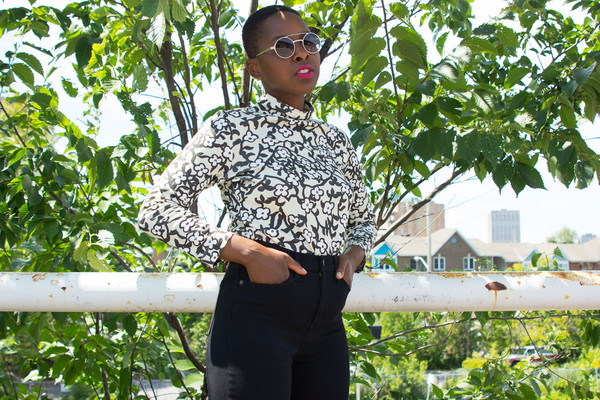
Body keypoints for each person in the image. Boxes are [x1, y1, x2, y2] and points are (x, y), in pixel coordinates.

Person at [137, 5, 376, 399]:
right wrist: (246, 252)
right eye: (283, 47)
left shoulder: (335, 140)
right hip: (257, 316)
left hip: (327, 324)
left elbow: (363, 221)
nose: (301, 54)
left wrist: (353, 256)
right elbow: (156, 210)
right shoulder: (232, 129)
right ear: (255, 68)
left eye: (308, 42)